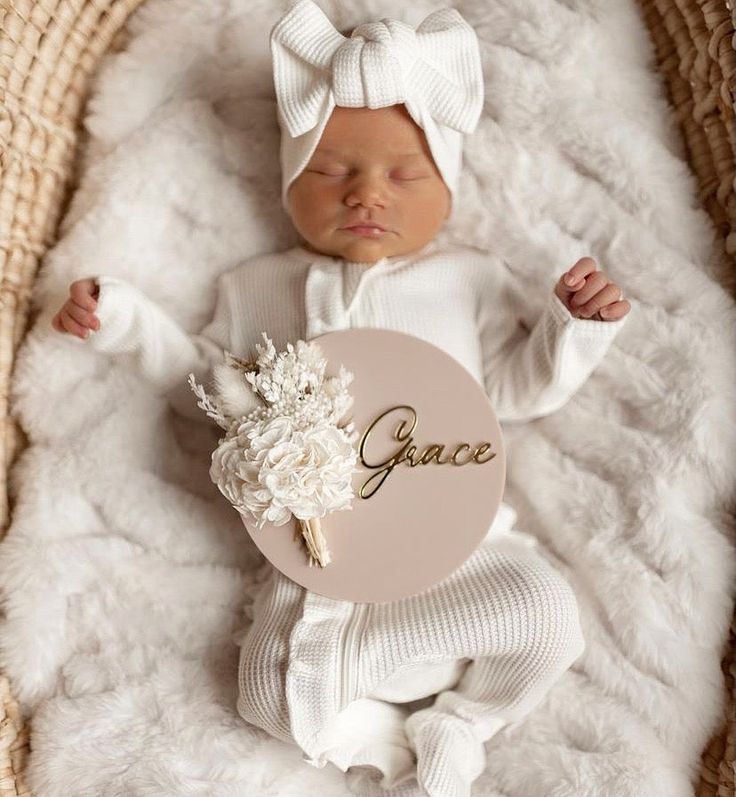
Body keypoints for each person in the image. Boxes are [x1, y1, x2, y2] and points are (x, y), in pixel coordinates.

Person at [51, 2, 631, 794]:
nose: (366, 194)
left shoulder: (465, 282)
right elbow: (206, 389)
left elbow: (514, 391)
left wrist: (572, 327)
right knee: (262, 695)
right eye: (330, 171)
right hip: (316, 565)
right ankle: (379, 732)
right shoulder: (257, 287)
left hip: (458, 549)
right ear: (289, 183)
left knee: (546, 613)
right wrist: (124, 321)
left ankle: (461, 719)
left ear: (447, 187)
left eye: (403, 174)